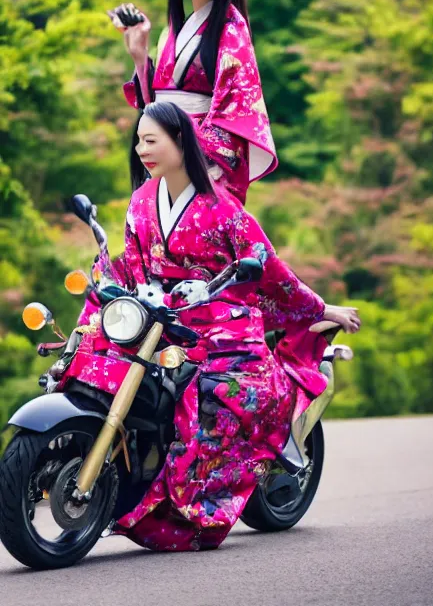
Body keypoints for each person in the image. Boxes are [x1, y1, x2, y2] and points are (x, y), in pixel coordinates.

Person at [77, 102, 360, 552]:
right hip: (160, 313)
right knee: (92, 346)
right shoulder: (140, 201)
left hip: (219, 318)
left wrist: (320, 306)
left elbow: (271, 271)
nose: (141, 149)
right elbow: (132, 265)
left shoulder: (223, 209)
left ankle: (197, 498)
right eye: (138, 141)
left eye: (152, 141)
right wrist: (109, 284)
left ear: (181, 143)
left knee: (218, 392)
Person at [109, 0, 276, 204]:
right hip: (167, 159)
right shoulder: (171, 32)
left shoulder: (231, 28)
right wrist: (140, 57)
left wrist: (182, 156)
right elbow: (154, 104)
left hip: (201, 167)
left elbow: (233, 113)